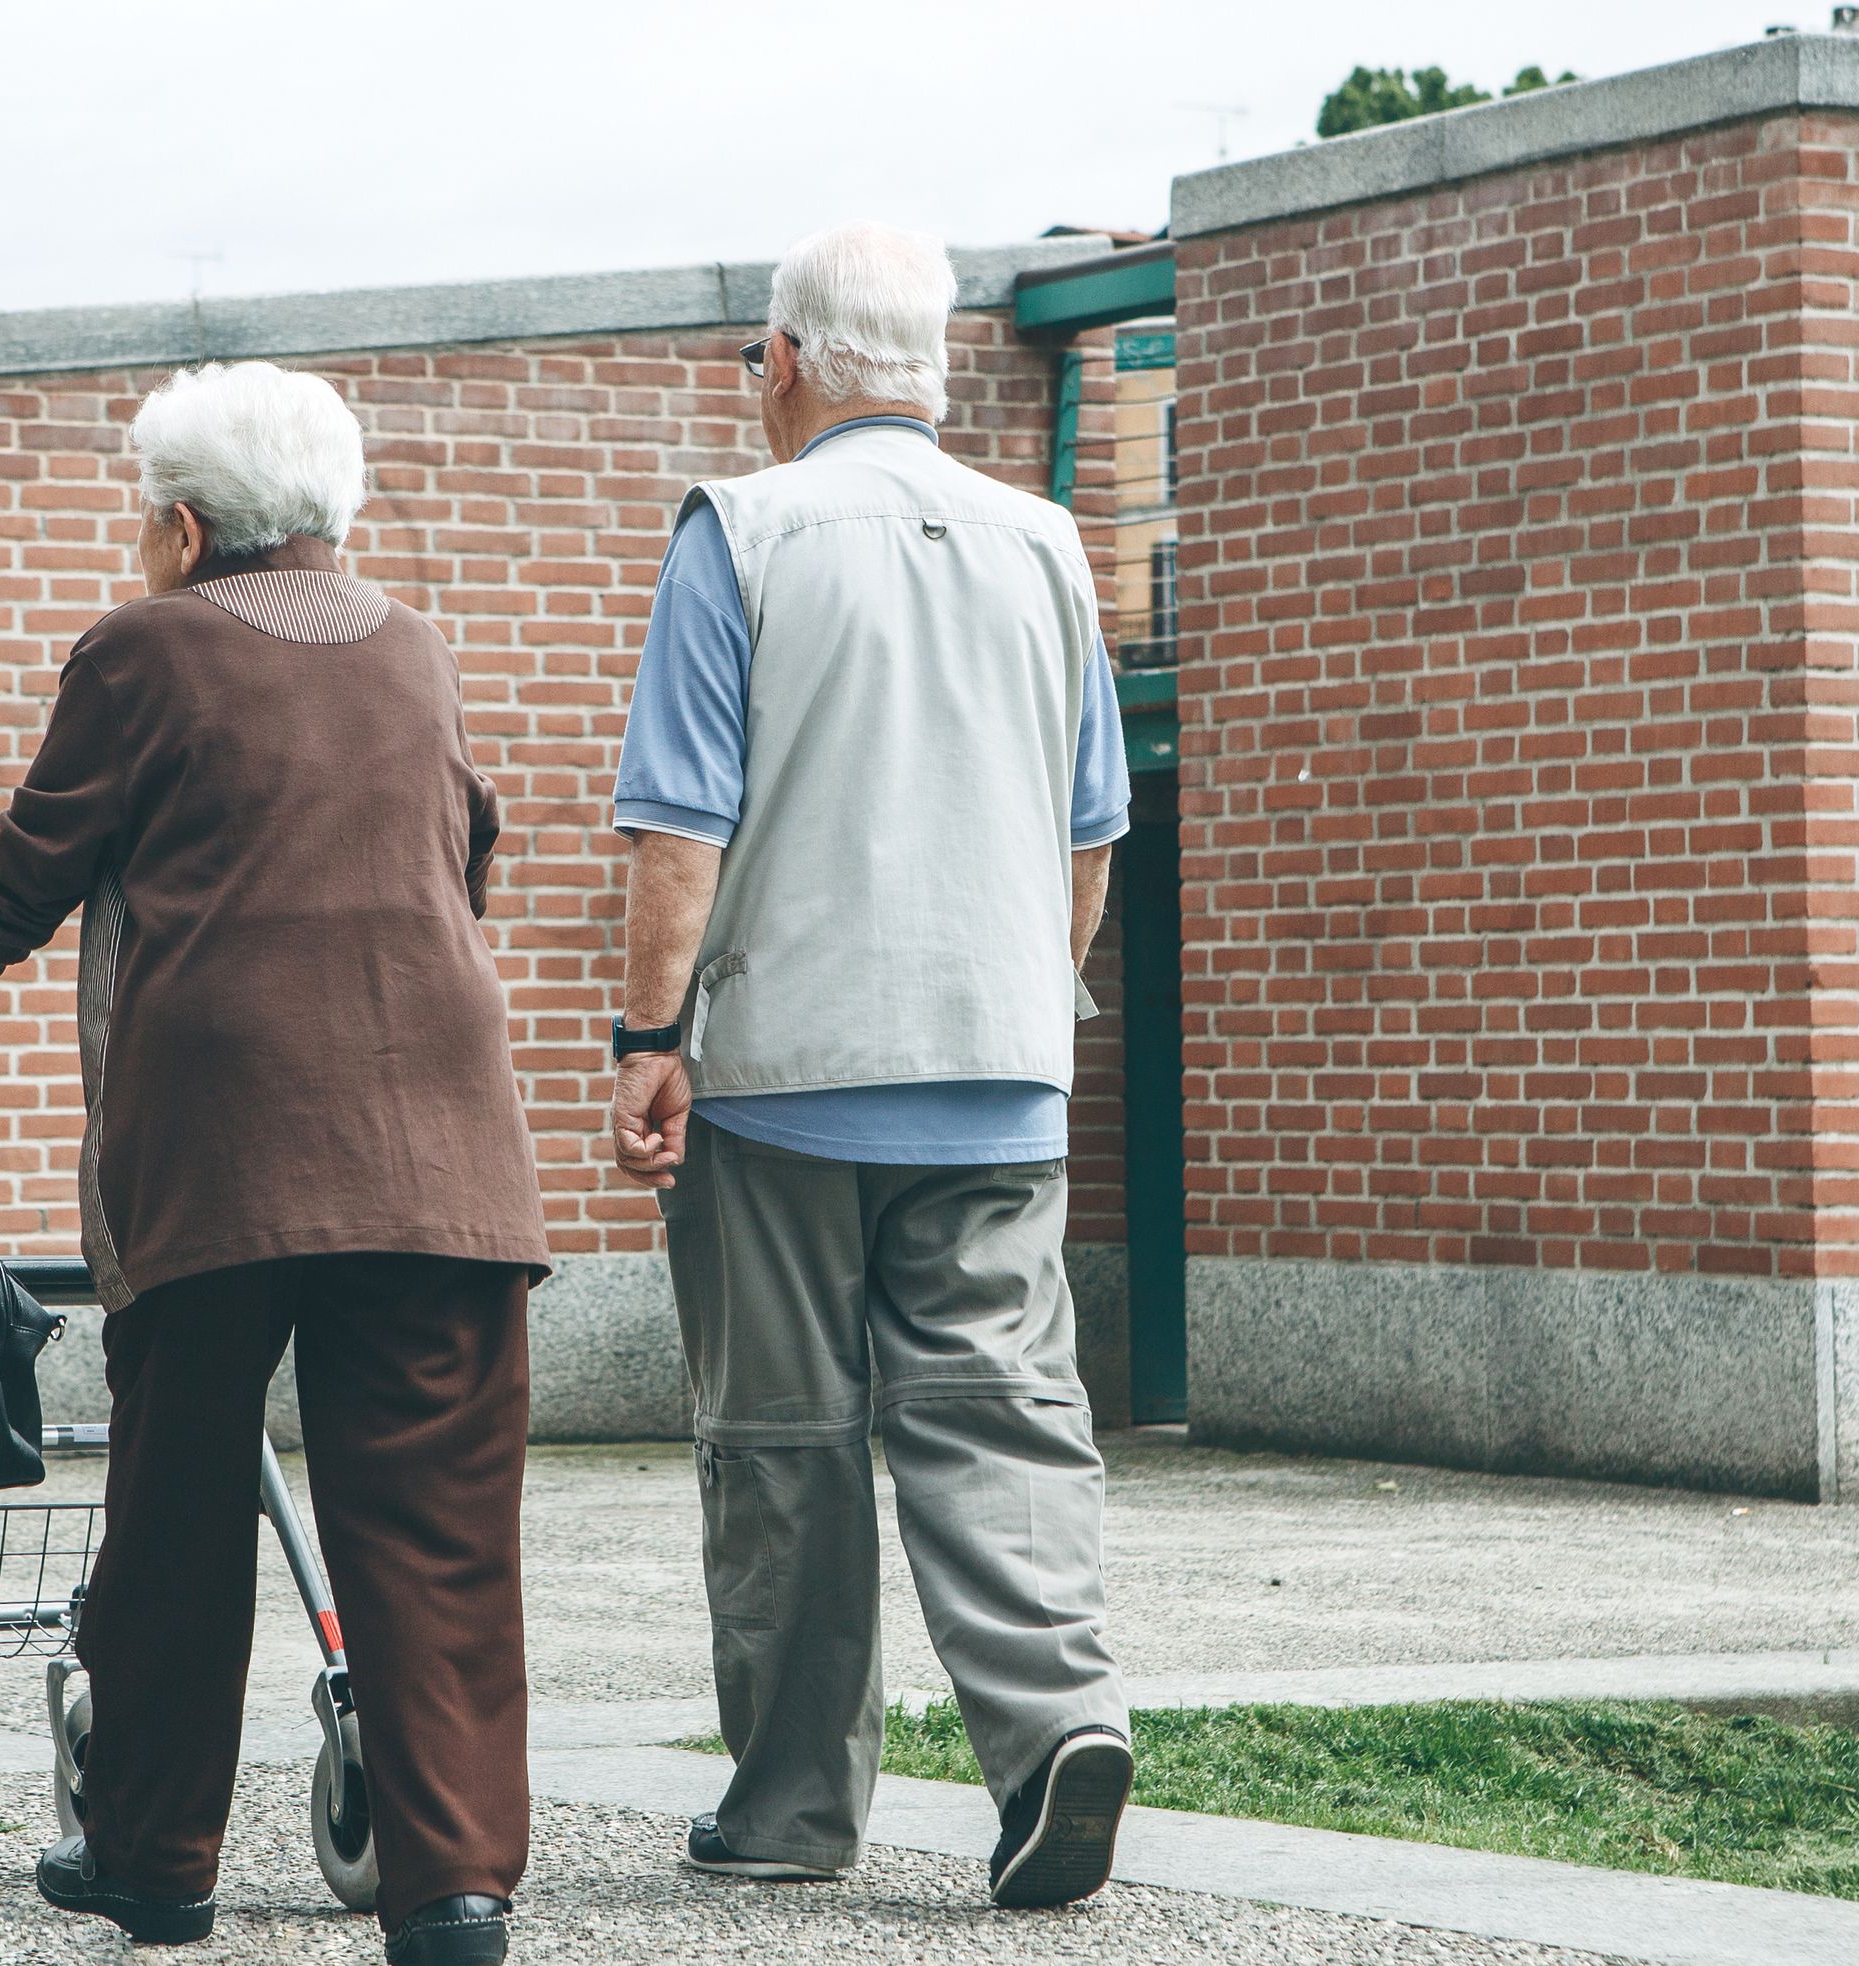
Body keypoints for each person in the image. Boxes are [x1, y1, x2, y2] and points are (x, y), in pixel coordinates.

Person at [0, 359, 549, 1966]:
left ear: (181, 526)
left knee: (178, 1507)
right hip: (442, 1148)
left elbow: (32, 858)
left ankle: (155, 1862)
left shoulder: (145, 648)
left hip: (223, 1149)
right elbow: (468, 846)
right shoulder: (415, 645)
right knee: (435, 1524)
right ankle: (454, 1893)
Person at [605, 221, 1136, 1909]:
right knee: (1004, 1406)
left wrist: (647, 1038)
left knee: (783, 1434)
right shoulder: (1048, 541)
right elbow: (1091, 834)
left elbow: (677, 832)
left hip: (783, 1069)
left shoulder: (740, 532)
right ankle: (1058, 1727)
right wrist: (1031, 996)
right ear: (932, 363)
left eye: (755, 357)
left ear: (789, 362)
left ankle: (789, 1809)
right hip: (1000, 1064)